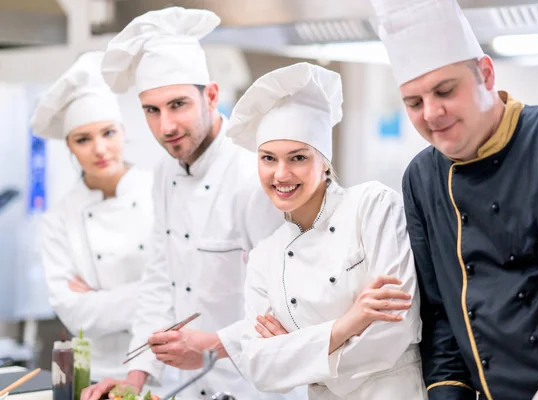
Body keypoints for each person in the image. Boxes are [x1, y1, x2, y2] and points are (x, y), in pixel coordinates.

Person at [368, 0, 538, 399]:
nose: (432, 113)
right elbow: (440, 313)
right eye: (414, 102)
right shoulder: (422, 178)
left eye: (445, 90)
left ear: (486, 74)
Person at [82, 7, 306, 400]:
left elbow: (291, 303)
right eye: (151, 110)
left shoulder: (255, 176)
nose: (165, 126)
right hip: (184, 388)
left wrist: (211, 346)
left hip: (253, 388)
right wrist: (136, 377)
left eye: (178, 105)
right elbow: (159, 282)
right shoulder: (164, 175)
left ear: (212, 96)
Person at [226, 62, 427, 399]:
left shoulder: (372, 206)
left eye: (298, 158)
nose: (281, 174)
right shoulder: (265, 257)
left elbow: (398, 328)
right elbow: (259, 367)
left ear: (324, 161)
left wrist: (295, 351)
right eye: (268, 158)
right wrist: (348, 324)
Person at [31, 51, 154, 383]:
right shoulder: (58, 220)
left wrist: (102, 300)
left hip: (167, 367)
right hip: (98, 374)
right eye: (83, 139)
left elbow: (186, 289)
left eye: (108, 133)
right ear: (69, 147)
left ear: (123, 132)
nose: (99, 149)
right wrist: (151, 293)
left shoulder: (160, 192)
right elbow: (76, 315)